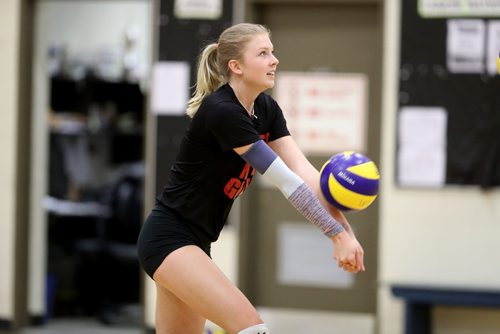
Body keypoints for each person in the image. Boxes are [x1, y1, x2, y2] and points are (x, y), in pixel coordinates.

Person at [137, 22, 365, 334]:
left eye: (272, 52)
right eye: (263, 53)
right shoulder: (222, 111)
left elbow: (307, 175)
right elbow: (284, 180)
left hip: (196, 244)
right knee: (251, 328)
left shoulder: (266, 109)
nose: (274, 60)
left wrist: (347, 233)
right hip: (169, 239)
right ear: (236, 66)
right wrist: (335, 235)